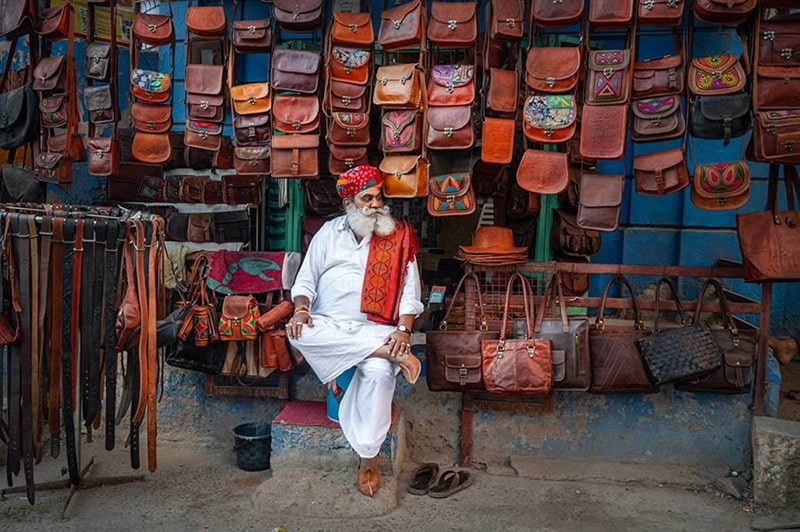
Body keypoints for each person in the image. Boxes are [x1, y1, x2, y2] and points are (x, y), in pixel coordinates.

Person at [286, 165, 424, 497]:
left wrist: (404, 332)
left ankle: (368, 458)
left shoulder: (397, 236)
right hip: (331, 327)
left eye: (379, 197)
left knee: (378, 375)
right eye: (367, 197)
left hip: (376, 328)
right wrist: (302, 309)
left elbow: (411, 292)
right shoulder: (328, 234)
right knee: (297, 332)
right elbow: (305, 280)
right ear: (349, 200)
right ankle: (384, 352)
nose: (376, 204)